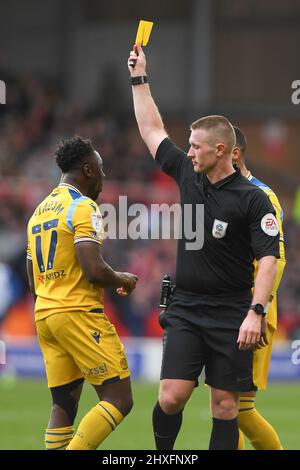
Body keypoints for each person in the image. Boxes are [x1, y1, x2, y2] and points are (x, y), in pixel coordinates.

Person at [128, 45, 280, 450]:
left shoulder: (253, 199)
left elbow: (269, 258)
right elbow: (151, 129)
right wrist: (139, 78)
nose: (188, 150)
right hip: (188, 307)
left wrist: (256, 311)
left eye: (195, 146)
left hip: (233, 311)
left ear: (220, 150)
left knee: (226, 406)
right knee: (171, 396)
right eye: (189, 145)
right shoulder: (186, 173)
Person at [26, 135, 138, 450]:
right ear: (88, 170)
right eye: (101, 169)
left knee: (63, 405)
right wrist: (122, 278)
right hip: (77, 312)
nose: (104, 177)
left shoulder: (38, 213)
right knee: (119, 398)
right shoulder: (82, 206)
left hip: (46, 314)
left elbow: (32, 276)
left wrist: (50, 308)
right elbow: (93, 269)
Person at [232, 127, 286, 450]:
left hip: (251, 312)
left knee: (241, 409)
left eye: (202, 147)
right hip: (222, 310)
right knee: (225, 407)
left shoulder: (262, 196)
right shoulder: (216, 195)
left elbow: (275, 261)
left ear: (233, 153)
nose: (194, 155)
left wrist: (259, 309)